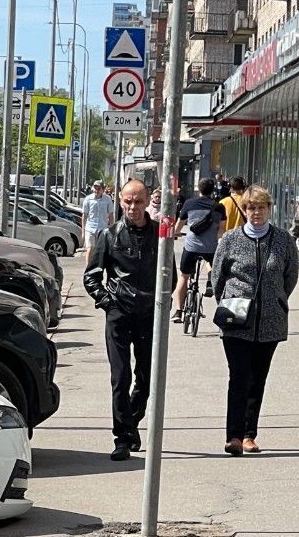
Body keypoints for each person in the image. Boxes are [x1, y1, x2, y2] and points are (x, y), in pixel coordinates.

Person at [212, 185, 299, 455]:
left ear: (269, 209)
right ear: (245, 210)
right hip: (237, 320)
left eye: (261, 207)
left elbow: (290, 277)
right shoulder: (230, 239)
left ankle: (250, 434)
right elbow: (218, 277)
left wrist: (276, 300)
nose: (256, 213)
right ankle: (234, 436)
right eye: (251, 208)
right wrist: (229, 302)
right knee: (239, 376)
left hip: (270, 320)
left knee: (257, 378)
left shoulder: (283, 240)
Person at [82, 179, 158, 461]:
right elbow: (91, 277)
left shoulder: (159, 237)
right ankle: (122, 437)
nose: (133, 207)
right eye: (127, 201)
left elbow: (169, 275)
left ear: (147, 201)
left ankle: (131, 421)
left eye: (138, 201)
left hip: (149, 316)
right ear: (120, 201)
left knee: (147, 378)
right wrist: (107, 302)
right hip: (119, 314)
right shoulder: (110, 235)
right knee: (120, 376)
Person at [172, 178, 225, 321]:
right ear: (213, 190)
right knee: (212, 266)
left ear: (199, 189)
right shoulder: (219, 207)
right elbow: (221, 231)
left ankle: (178, 311)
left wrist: (177, 233)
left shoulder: (189, 204)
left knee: (184, 276)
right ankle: (210, 283)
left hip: (191, 247)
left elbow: (178, 226)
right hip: (210, 247)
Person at [80, 180, 115, 266]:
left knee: (100, 250)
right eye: (95, 188)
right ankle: (88, 268)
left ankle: (98, 267)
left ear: (103, 189)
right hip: (90, 228)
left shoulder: (107, 199)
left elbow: (111, 215)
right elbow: (84, 215)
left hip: (102, 229)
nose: (96, 190)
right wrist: (83, 232)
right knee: (90, 248)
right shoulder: (88, 199)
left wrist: (112, 229)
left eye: (99, 188)